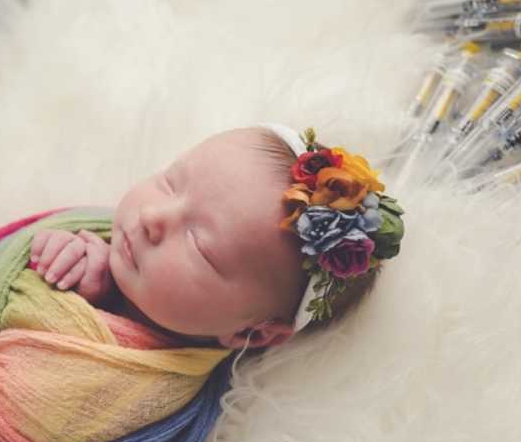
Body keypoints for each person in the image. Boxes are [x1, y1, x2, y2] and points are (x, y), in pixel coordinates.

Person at [30, 125, 397, 350]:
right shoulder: (93, 241)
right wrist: (49, 273)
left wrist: (85, 319)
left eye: (199, 245)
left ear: (252, 335)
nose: (152, 216)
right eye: (169, 183)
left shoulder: (164, 403)